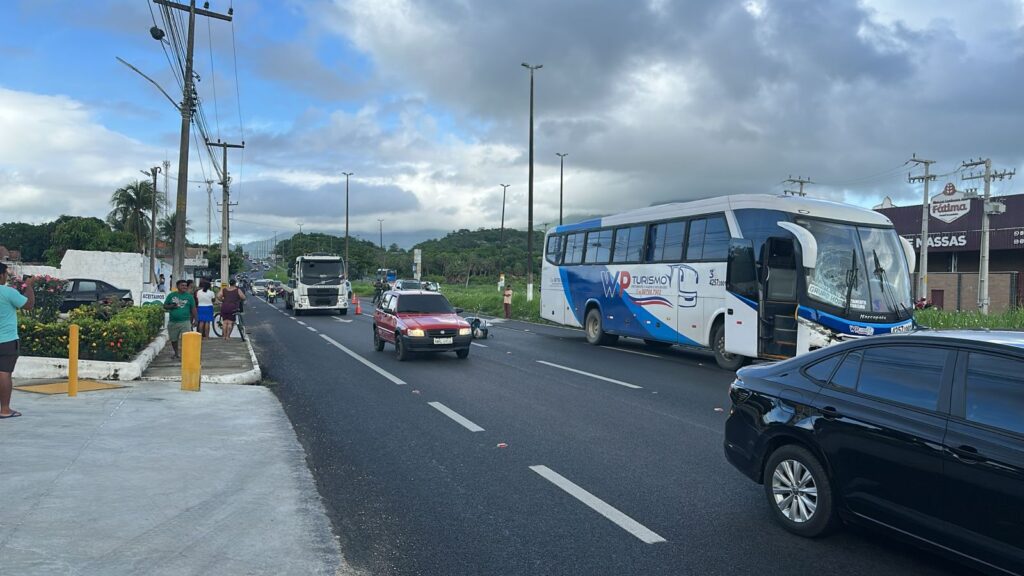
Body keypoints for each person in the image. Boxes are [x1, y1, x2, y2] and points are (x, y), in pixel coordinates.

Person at [0, 263, 35, 419]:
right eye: (6, 274)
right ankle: (5, 409)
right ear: (1, 275)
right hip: (7, 340)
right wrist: (28, 286)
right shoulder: (7, 292)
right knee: (4, 373)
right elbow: (28, 305)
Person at [164, 279, 196, 359]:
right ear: (177, 286)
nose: (184, 287)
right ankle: (176, 353)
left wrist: (196, 319)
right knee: (173, 339)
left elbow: (193, 309)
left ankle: (185, 354)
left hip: (185, 321)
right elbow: (165, 306)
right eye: (182, 285)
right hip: (173, 321)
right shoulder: (171, 295)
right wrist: (171, 306)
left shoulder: (189, 297)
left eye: (185, 286)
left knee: (186, 339)